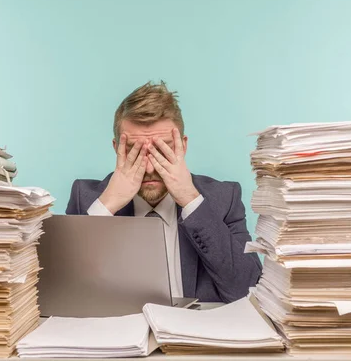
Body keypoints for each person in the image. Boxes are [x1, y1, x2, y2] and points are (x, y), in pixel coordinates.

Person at [66, 81, 262, 303]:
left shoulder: (223, 198)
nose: (149, 169)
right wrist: (107, 205)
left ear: (183, 146)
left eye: (162, 150)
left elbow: (248, 290)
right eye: (135, 152)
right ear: (116, 149)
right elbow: (63, 292)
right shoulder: (87, 199)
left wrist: (190, 199)